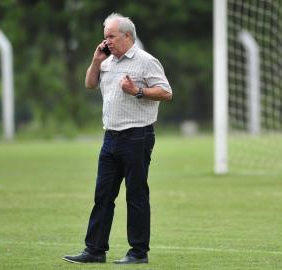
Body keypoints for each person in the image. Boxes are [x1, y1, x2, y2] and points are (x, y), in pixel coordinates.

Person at [63, 13, 172, 264]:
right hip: (110, 137)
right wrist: (95, 60)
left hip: (137, 135)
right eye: (105, 37)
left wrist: (138, 91)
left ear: (127, 36)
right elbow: (90, 84)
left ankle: (138, 253)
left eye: (111, 36)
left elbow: (166, 93)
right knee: (103, 195)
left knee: (135, 195)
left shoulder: (146, 61)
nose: (107, 41)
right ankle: (95, 250)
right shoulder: (106, 61)